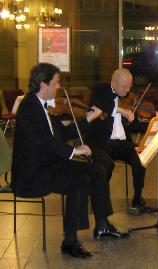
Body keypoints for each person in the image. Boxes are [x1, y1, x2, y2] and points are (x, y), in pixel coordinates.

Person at [11, 63, 129, 259]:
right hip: (32, 173)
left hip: (48, 163)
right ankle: (70, 240)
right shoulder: (29, 108)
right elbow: (44, 143)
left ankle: (102, 224)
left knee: (97, 169)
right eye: (56, 83)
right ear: (43, 84)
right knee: (80, 179)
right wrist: (74, 151)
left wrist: (88, 119)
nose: (58, 87)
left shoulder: (41, 105)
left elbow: (62, 133)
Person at [86, 68, 146, 212]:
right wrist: (120, 110)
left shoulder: (126, 99)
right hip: (100, 142)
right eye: (124, 87)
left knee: (140, 157)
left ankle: (138, 197)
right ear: (113, 83)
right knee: (107, 165)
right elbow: (99, 106)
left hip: (120, 143)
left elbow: (134, 124)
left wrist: (154, 122)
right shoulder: (100, 91)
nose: (128, 90)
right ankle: (101, 200)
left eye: (130, 86)